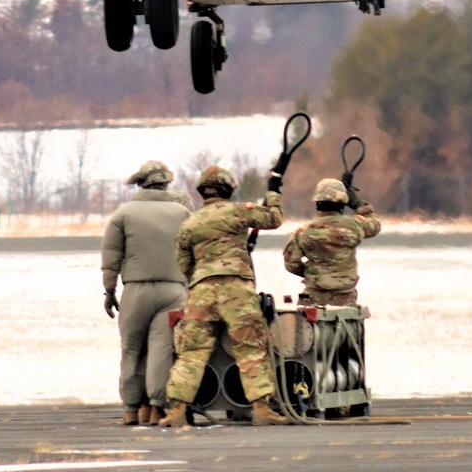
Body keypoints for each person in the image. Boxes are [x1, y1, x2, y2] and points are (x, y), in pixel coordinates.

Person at [160, 165, 289, 428]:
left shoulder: (189, 224)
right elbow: (274, 219)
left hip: (201, 291)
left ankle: (176, 411)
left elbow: (183, 265)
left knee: (192, 352)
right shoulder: (239, 212)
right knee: (251, 348)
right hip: (237, 290)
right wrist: (274, 192)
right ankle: (262, 409)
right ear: (228, 189)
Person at [101, 159, 192, 426]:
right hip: (174, 290)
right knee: (162, 349)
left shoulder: (123, 214)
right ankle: (156, 408)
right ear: (166, 183)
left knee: (132, 350)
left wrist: (109, 290)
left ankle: (131, 409)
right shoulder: (182, 213)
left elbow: (111, 255)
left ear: (140, 183)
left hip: (136, 290)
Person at [283, 178, 381, 306]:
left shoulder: (302, 232)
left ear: (317, 202)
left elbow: (291, 264)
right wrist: (357, 203)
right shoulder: (355, 226)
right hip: (345, 297)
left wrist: (314, 274)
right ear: (342, 203)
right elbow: (375, 225)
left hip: (313, 297)